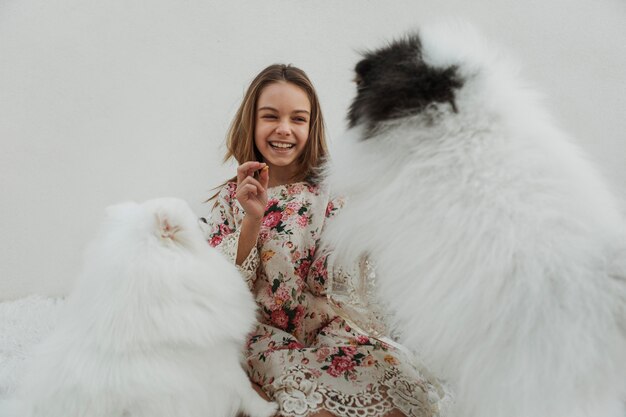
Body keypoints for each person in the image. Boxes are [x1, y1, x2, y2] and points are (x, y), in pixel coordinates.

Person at [202, 64, 448, 417]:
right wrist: (252, 220)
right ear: (251, 122)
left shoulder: (331, 194)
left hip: (324, 329)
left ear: (311, 125)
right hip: (263, 337)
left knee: (399, 395)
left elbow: (337, 278)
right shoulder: (233, 198)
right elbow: (220, 289)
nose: (284, 129)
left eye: (298, 119)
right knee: (316, 409)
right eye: (271, 116)